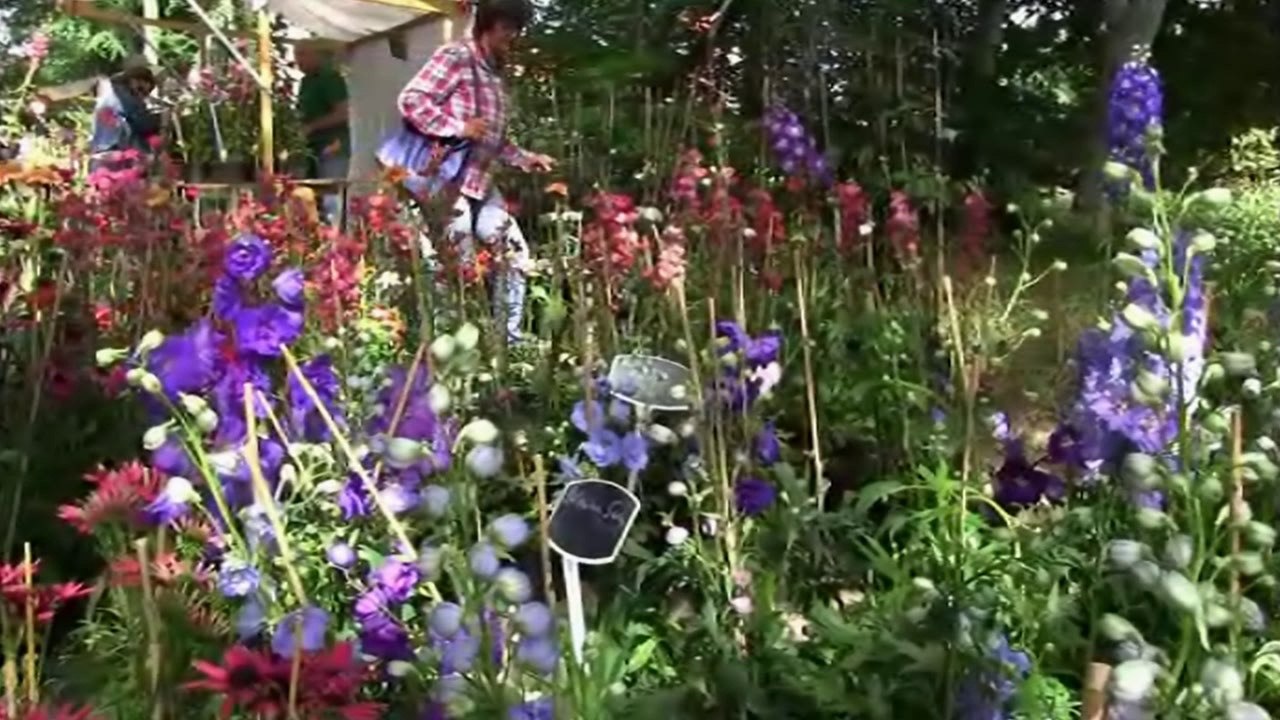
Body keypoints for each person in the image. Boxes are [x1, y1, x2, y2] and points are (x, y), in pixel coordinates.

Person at [394, 0, 554, 343]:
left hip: (479, 180)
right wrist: (458, 127)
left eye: (517, 29)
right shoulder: (457, 56)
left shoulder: (494, 73)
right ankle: (448, 344)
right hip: (446, 176)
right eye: (507, 27)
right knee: (459, 261)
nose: (513, 36)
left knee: (513, 251)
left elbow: (493, 139)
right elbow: (412, 100)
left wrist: (525, 157)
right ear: (487, 25)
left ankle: (507, 341)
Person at [295, 42, 350, 221]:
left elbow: (343, 113)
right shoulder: (305, 81)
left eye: (303, 54)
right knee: (311, 198)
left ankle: (337, 234)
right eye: (296, 55)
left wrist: (311, 127)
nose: (298, 60)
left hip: (333, 147)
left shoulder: (330, 77)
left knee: (332, 198)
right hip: (311, 149)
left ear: (318, 55)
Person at [88, 56, 162, 173]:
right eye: (142, 90)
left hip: (100, 153)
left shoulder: (110, 94)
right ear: (135, 81)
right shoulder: (125, 97)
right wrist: (161, 119)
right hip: (118, 154)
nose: (142, 95)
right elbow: (143, 123)